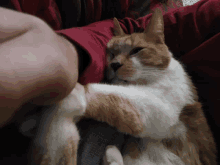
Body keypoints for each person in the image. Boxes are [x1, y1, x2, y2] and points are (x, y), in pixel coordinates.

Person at [0, 0, 220, 163]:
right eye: (113, 55)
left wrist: (82, 96)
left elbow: (155, 112)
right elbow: (138, 26)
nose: (115, 62)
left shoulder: (171, 78)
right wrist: (70, 50)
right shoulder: (209, 14)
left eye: (134, 52)